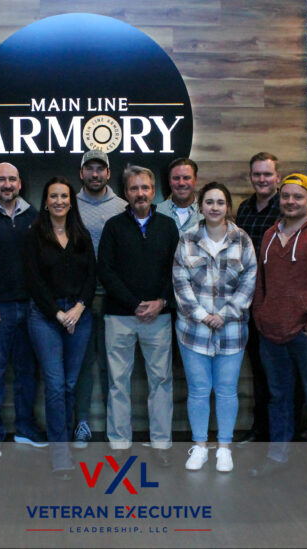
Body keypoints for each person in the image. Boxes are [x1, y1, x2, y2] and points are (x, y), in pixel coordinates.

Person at [249, 173, 307, 490]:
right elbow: (260, 282)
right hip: (271, 334)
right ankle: (278, 457)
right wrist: (260, 314)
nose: (290, 201)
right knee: (279, 399)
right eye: (286, 196)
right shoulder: (269, 235)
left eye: (297, 196)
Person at [98, 165, 180, 467]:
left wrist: (161, 302)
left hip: (158, 317)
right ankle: (119, 443)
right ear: (126, 192)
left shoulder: (168, 226)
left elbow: (177, 271)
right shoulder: (113, 226)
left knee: (161, 380)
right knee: (118, 382)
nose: (140, 193)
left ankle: (161, 444)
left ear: (154, 188)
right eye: (134, 188)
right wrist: (134, 303)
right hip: (120, 316)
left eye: (145, 187)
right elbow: (105, 271)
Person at [173, 182, 257, 472]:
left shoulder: (242, 240)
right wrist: (201, 314)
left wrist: (225, 313)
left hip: (231, 329)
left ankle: (224, 447)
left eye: (220, 202)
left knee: (226, 391)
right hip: (193, 330)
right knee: (198, 390)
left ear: (228, 207)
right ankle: (199, 446)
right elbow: (180, 281)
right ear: (201, 206)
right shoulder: (187, 239)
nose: (214, 207)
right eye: (209, 202)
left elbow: (249, 281)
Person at [0, 162, 46, 459]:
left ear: (20, 184)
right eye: (1, 179)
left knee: (28, 373)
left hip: (30, 309)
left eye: (12, 179)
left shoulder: (35, 217)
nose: (7, 184)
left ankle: (25, 427)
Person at [24, 177, 96, 479]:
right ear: (45, 201)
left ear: (71, 200)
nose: (59, 201)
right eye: (53, 196)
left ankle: (64, 439)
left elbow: (92, 276)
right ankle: (60, 454)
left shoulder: (82, 235)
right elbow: (33, 281)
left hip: (79, 315)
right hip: (45, 316)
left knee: (68, 384)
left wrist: (77, 309)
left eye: (64, 196)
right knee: (54, 386)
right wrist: (57, 313)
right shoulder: (35, 235)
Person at [74, 150, 127, 448]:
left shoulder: (122, 207)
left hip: (114, 301)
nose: (95, 174)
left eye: (100, 169)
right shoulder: (69, 205)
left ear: (108, 172)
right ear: (81, 172)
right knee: (82, 366)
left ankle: (115, 429)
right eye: (89, 169)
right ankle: (82, 423)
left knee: (113, 369)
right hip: (78, 301)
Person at [234, 152, 281, 445]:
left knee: (281, 374)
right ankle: (261, 430)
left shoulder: (286, 205)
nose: (262, 179)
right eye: (257, 174)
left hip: (278, 302)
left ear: (277, 176)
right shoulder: (244, 209)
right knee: (260, 373)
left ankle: (284, 434)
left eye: (267, 174)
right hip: (249, 303)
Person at [158, 157, 203, 233]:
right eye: (176, 178)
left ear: (195, 180)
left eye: (186, 178)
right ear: (169, 181)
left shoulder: (207, 213)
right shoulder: (156, 212)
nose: (181, 183)